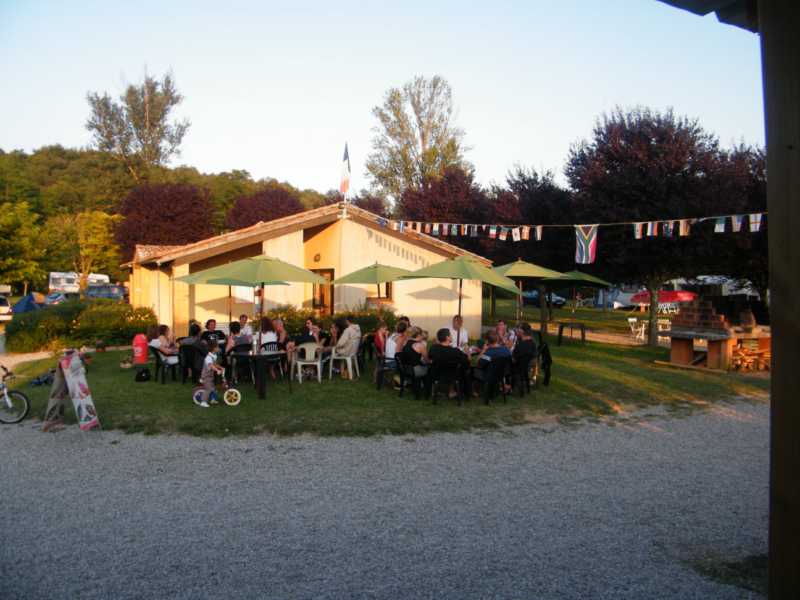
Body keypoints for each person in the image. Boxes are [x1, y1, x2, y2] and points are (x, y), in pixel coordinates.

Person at [428, 328, 470, 398]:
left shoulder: (433, 348)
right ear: (447, 337)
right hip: (452, 376)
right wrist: (468, 352)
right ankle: (461, 392)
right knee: (465, 370)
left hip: (435, 374)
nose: (452, 336)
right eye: (450, 335)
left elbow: (430, 358)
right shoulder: (455, 352)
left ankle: (441, 390)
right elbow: (467, 362)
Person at [196, 339, 224, 408]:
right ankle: (203, 402)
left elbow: (214, 364)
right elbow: (211, 365)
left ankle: (212, 399)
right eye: (217, 347)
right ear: (214, 348)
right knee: (208, 389)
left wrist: (221, 367)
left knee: (213, 388)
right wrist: (217, 370)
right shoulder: (208, 357)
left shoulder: (214, 355)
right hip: (206, 376)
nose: (218, 348)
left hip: (210, 376)